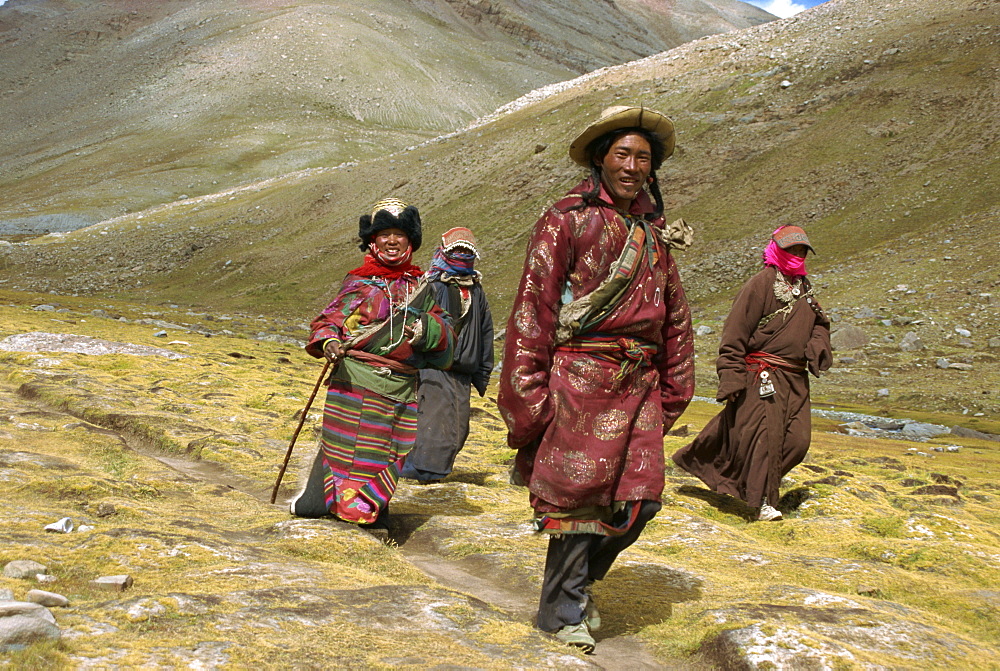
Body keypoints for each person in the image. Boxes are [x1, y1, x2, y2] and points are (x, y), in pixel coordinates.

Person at [496, 106, 695, 652]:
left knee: (642, 501)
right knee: (578, 504)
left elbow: (674, 317)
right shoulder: (565, 219)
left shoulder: (654, 237)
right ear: (600, 159)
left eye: (643, 158)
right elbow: (533, 307)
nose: (633, 166)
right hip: (577, 379)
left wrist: (676, 389)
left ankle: (580, 588)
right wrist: (528, 394)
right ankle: (560, 615)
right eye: (623, 154)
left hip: (640, 384)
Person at [290, 197, 455, 529]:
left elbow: (447, 336)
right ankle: (347, 509)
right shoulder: (359, 283)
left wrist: (427, 330)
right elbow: (325, 323)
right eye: (384, 235)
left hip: (402, 388)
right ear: (371, 241)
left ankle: (373, 506)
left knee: (388, 453)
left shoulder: (422, 289)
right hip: (355, 383)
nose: (392, 241)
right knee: (351, 453)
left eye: (400, 235)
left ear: (411, 241)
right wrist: (331, 342)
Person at [671, 225, 832, 522]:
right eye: (791, 250)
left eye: (801, 251)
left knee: (798, 441)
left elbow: (820, 323)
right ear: (776, 250)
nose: (797, 255)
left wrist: (816, 345)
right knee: (764, 440)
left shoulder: (804, 288)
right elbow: (734, 335)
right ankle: (762, 502)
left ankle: (746, 483)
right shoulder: (759, 285)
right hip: (762, 375)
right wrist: (732, 377)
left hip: (796, 379)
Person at [402, 227, 495, 484]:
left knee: (458, 427)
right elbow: (410, 321)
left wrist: (483, 372)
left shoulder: (476, 291)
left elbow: (486, 331)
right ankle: (420, 472)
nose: (462, 255)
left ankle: (431, 471)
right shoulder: (430, 286)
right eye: (457, 250)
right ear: (444, 251)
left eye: (467, 251)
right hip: (433, 367)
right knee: (433, 424)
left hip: (463, 371)